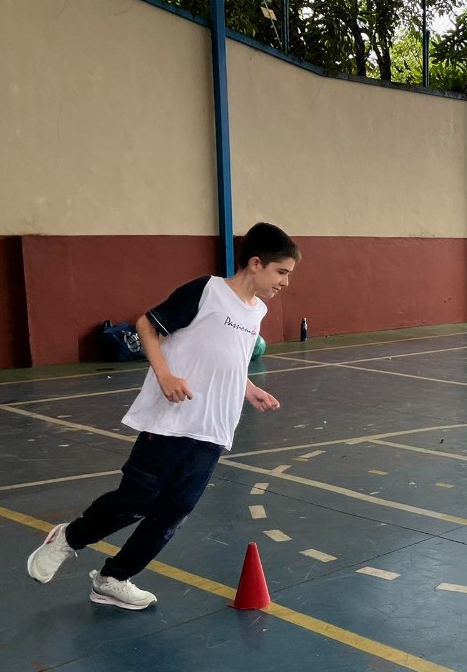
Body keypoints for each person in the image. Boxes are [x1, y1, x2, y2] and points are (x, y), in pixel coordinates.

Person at [26, 223, 301, 610]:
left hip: (214, 429)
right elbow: (147, 325)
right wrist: (165, 375)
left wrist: (248, 387)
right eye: (281, 272)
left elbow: (227, 357)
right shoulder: (208, 291)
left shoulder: (258, 311)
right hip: (173, 420)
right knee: (137, 499)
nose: (285, 282)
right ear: (256, 264)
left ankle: (113, 578)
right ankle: (69, 538)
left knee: (175, 510)